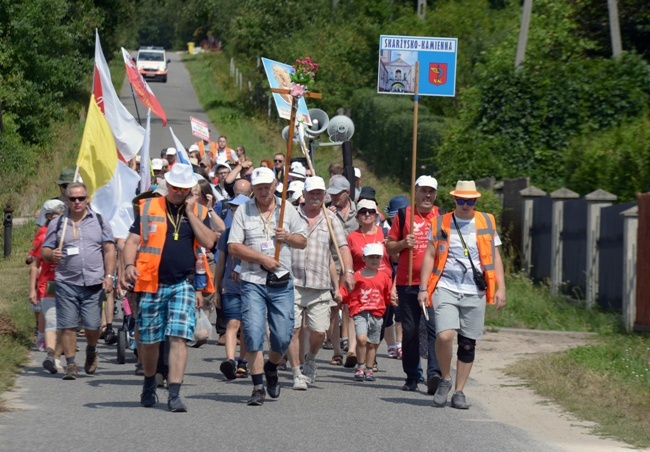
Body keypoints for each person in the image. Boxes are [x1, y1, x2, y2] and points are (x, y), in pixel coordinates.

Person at [123, 163, 218, 412]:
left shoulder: (198, 210)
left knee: (179, 338)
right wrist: (128, 266)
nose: (178, 191)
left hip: (183, 283)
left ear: (189, 189)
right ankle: (149, 383)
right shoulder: (149, 207)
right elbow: (132, 240)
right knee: (150, 340)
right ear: (168, 185)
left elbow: (209, 242)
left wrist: (193, 215)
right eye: (174, 187)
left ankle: (174, 393)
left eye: (183, 188)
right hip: (151, 282)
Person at [418, 180, 506, 409]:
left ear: (475, 201)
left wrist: (501, 289)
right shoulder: (440, 222)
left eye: (470, 201)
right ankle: (445, 379)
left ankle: (459, 391)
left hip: (474, 291)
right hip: (445, 287)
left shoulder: (486, 221)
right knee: (444, 335)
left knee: (467, 344)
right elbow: (429, 255)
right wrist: (422, 288)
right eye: (461, 200)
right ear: (454, 199)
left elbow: (495, 257)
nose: (465, 205)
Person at [228, 167, 307, 406]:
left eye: (267, 186)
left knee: (283, 336)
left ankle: (272, 366)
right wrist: (261, 258)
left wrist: (288, 237)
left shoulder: (288, 209)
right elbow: (233, 246)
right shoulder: (244, 210)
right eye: (259, 186)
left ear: (275, 186)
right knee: (252, 332)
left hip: (281, 281)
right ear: (253, 188)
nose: (263, 191)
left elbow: (302, 241)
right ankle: (258, 385)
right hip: (253, 281)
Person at [42, 182, 117, 380]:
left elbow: (109, 250)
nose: (77, 202)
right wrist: (52, 254)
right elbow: (45, 250)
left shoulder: (100, 221)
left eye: (81, 198)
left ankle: (91, 350)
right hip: (67, 281)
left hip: (93, 282)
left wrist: (109, 276)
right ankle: (71, 364)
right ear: (66, 200)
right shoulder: (57, 223)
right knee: (67, 325)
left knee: (92, 326)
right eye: (73, 198)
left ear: (87, 199)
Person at [286, 176, 354, 390]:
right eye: (311, 193)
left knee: (319, 332)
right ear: (303, 195)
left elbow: (342, 247)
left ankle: (311, 359)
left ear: (324, 196)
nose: (315, 197)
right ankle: (297, 372)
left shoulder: (331, 219)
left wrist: (349, 271)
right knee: (293, 329)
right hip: (292, 282)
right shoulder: (291, 215)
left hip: (320, 284)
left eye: (319, 193)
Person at [386, 175, 443, 393]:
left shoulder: (442, 217)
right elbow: (389, 248)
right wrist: (402, 243)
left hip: (434, 284)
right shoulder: (403, 215)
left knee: (434, 329)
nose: (427, 195)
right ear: (416, 192)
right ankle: (411, 376)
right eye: (423, 191)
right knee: (409, 331)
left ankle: (434, 375)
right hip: (407, 282)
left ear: (435, 195)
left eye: (431, 191)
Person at [340, 243, 392, 382]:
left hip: (377, 313)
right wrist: (340, 296)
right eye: (371, 257)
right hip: (360, 311)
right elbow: (346, 291)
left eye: (377, 257)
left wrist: (394, 300)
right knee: (361, 339)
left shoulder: (384, 277)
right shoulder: (356, 276)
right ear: (364, 258)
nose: (374, 260)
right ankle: (360, 366)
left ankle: (369, 369)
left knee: (372, 343)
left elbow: (388, 295)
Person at [214, 194, 250, 380]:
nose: (235, 212)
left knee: (246, 326)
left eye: (238, 208)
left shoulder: (252, 232)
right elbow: (220, 264)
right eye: (233, 209)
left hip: (251, 285)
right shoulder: (227, 234)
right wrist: (216, 289)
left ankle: (243, 363)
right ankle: (230, 361)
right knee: (233, 323)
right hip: (230, 286)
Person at [29, 199, 66, 372]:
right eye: (56, 216)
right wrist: (33, 289)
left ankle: (57, 354)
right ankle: (51, 357)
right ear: (49, 216)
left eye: (62, 215)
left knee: (65, 325)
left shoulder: (71, 232)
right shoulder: (43, 234)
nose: (59, 219)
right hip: (48, 285)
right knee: (52, 321)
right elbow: (35, 264)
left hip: (68, 284)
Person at [327, 174, 359, 366]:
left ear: (347, 193)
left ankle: (353, 349)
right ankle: (337, 350)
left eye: (338, 194)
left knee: (352, 308)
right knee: (333, 308)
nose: (334, 197)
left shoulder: (360, 210)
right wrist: (328, 215)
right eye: (331, 194)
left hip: (354, 265)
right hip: (332, 265)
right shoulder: (327, 210)